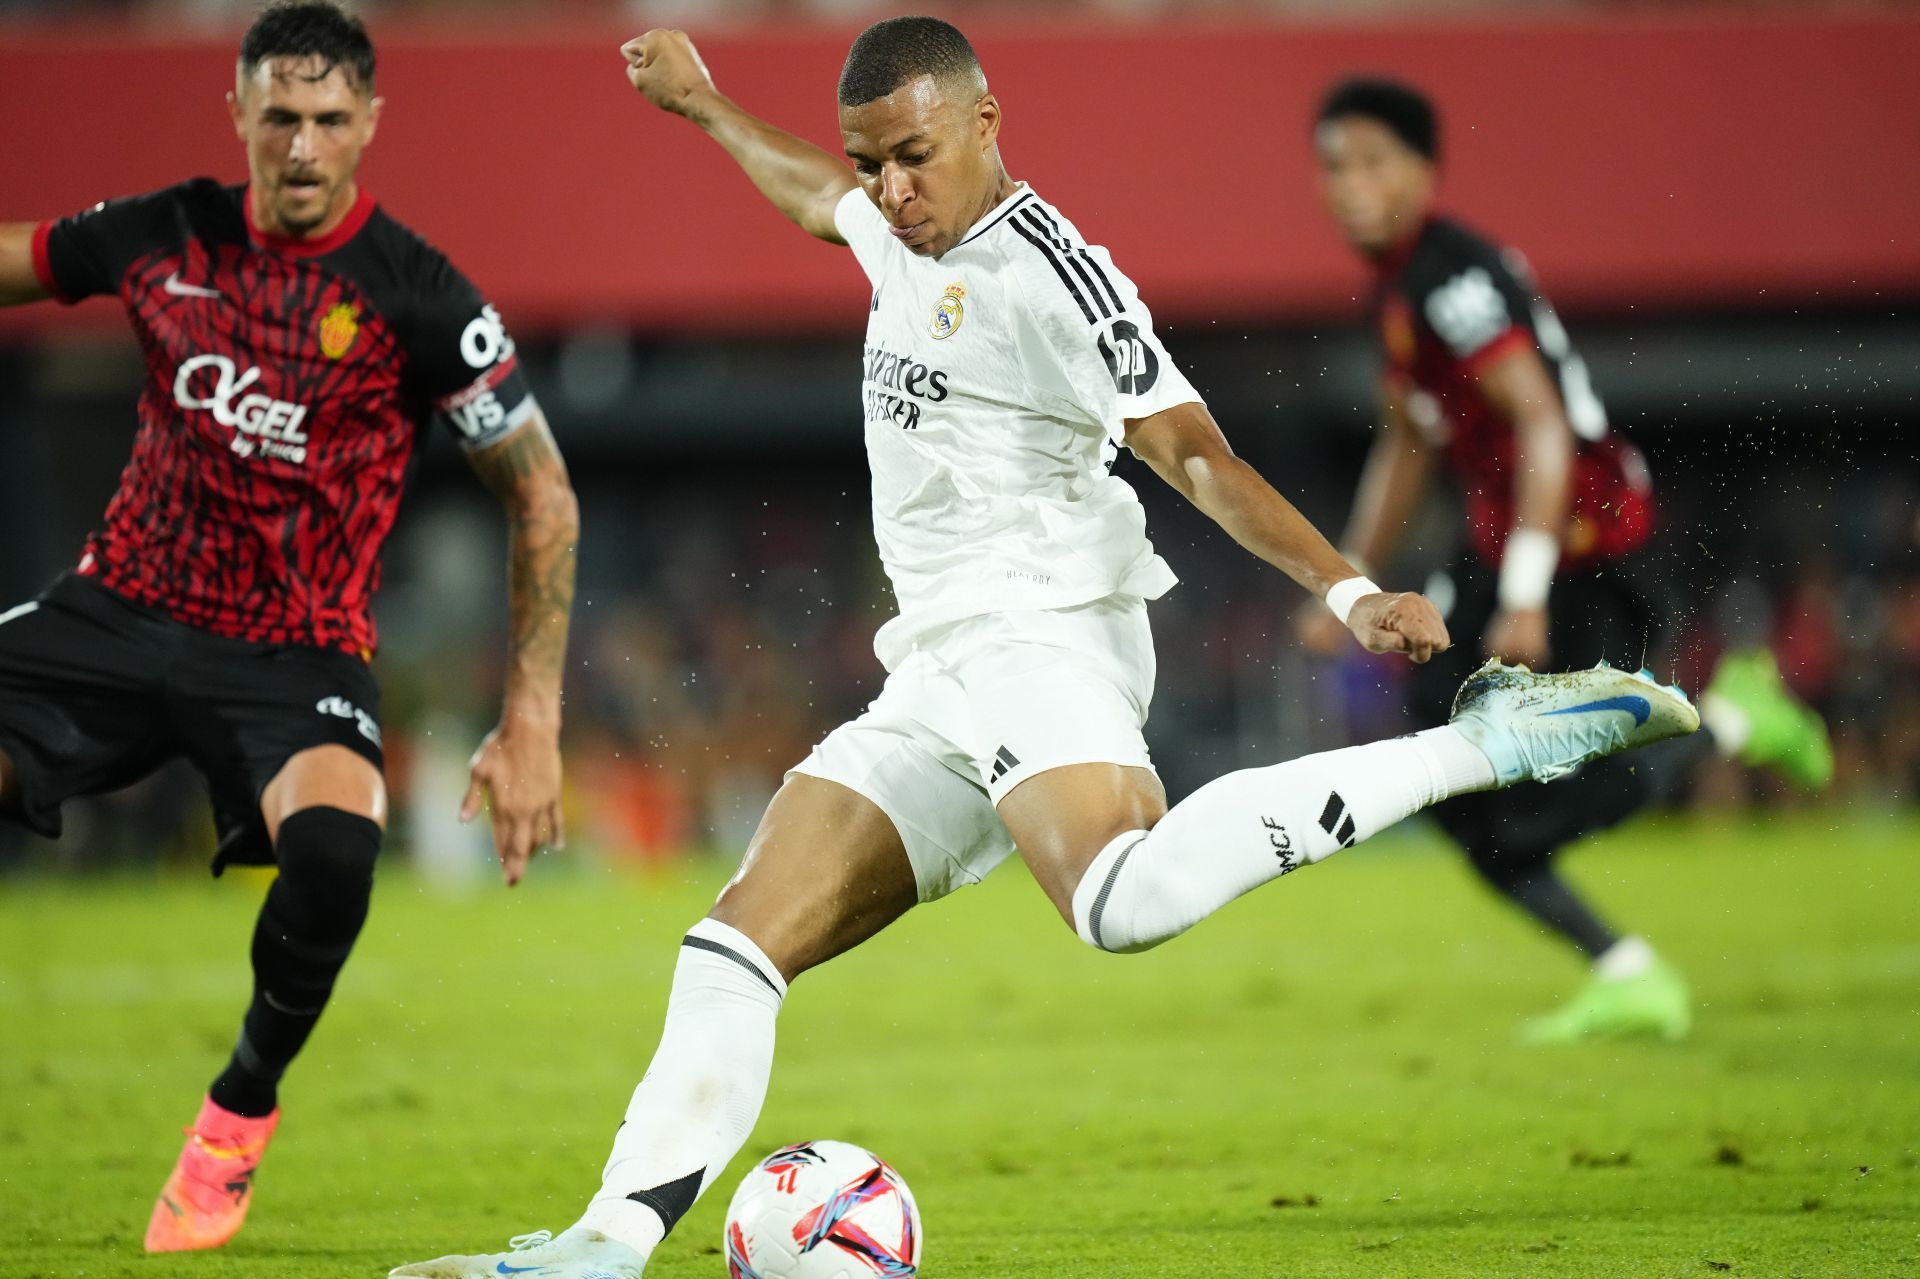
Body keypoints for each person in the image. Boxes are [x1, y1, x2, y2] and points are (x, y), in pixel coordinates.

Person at [390, 21, 1693, 1278]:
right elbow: (812, 198)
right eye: (872, 164)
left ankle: (1479, 742)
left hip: (1050, 636)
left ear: (983, 121)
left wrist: (1353, 594)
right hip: (938, 666)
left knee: (1117, 902)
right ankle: (601, 1245)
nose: (892, 192)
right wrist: (705, 103)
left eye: (914, 155)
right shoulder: (889, 221)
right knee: (731, 945)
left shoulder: (1058, 278)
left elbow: (1197, 454)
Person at [0, 0, 578, 1253]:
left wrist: (529, 717)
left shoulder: (418, 298)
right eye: (280, 117)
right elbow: (22, 256)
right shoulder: (163, 236)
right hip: (118, 606)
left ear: (369, 122)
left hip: (295, 649)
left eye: (327, 119)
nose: (303, 145)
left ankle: (235, 1116)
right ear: (240, 117)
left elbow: (540, 490)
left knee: (334, 853)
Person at [1299, 77, 1832, 1044]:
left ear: (1425, 171)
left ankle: (1734, 722)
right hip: (1507, 545)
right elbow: (1410, 442)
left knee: (1549, 778)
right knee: (1450, 774)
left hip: (1585, 546)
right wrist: (1347, 577)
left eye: (1374, 161)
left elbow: (1541, 421)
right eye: (1335, 166)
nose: (1351, 186)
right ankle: (1625, 970)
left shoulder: (1452, 280)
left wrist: (1529, 588)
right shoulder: (1402, 286)